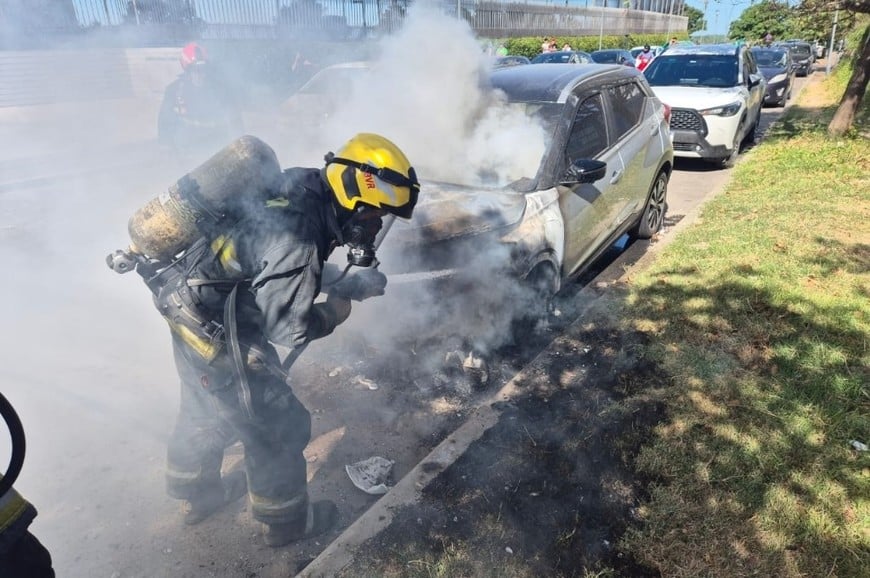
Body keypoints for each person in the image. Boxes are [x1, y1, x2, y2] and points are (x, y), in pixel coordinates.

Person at [133, 133, 420, 547]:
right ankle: (286, 522)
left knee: (203, 406)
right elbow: (288, 327)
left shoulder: (303, 186)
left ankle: (197, 494)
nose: (375, 228)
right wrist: (333, 313)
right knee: (278, 425)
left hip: (183, 304)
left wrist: (350, 284)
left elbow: (274, 265)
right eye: (376, 216)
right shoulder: (299, 234)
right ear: (355, 199)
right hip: (221, 332)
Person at [158, 42, 244, 156]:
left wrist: (239, 141)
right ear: (187, 70)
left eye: (203, 69)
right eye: (195, 70)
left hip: (217, 144)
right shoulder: (174, 90)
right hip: (187, 148)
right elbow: (165, 118)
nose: (200, 74)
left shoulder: (220, 89)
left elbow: (234, 115)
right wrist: (165, 143)